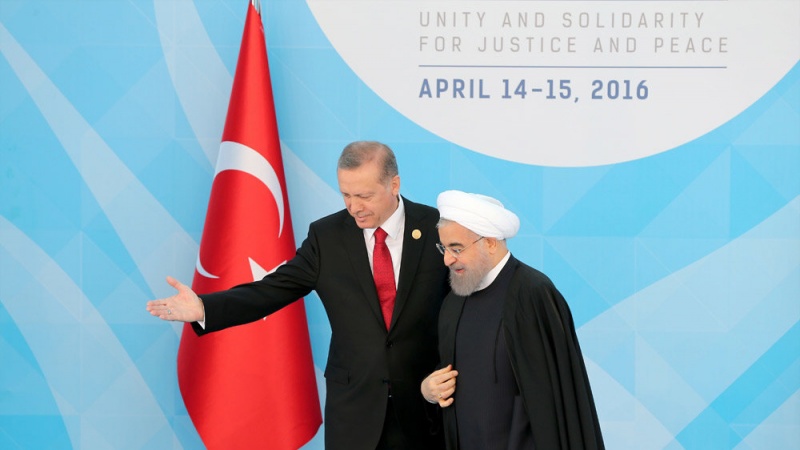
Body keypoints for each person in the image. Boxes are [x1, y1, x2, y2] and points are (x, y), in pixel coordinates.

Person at [147, 141, 449, 450]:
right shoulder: (327, 237)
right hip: (355, 411)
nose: (354, 207)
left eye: (364, 196)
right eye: (346, 195)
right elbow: (271, 289)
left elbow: (463, 306)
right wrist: (204, 308)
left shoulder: (436, 228)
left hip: (425, 406)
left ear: (394, 185)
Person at [420, 190, 605, 450]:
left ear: (490, 243)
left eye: (456, 248)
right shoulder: (454, 300)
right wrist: (429, 390)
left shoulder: (533, 294)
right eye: (444, 248)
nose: (447, 259)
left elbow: (552, 399)